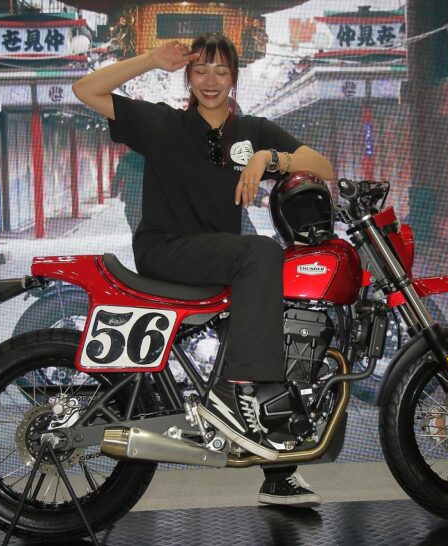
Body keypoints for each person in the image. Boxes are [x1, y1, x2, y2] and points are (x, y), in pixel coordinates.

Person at [72, 32, 335, 507]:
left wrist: (268, 157)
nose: (210, 80)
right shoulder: (162, 124)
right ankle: (238, 392)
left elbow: (323, 166)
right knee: (262, 254)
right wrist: (151, 59)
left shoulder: (251, 131)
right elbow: (85, 89)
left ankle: (277, 472)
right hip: (166, 249)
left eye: (221, 70)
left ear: (234, 77)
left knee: (267, 318)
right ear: (188, 77)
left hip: (220, 258)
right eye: (200, 69)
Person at [114, 148, 145, 235]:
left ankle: (136, 233)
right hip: (143, 194)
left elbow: (117, 176)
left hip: (130, 193)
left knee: (131, 214)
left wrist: (114, 190)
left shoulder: (125, 159)